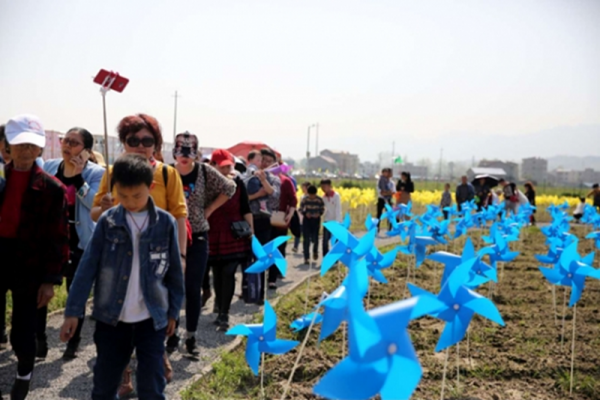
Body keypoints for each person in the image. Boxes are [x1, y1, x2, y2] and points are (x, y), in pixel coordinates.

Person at [60, 154, 185, 400]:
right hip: (111, 320)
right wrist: (73, 311)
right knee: (104, 387)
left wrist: (173, 312)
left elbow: (174, 273)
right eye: (123, 196)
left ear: (150, 187)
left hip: (152, 319)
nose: (130, 202)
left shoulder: (166, 223)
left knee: (152, 387)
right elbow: (86, 268)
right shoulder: (108, 221)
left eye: (137, 196)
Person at [90, 114, 187, 396]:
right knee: (120, 317)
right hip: (118, 260)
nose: (141, 146)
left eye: (147, 140)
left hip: (156, 259)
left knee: (151, 313)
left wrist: (180, 255)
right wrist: (103, 207)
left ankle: (155, 357)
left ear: (156, 144)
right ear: (124, 143)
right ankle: (124, 374)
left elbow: (179, 215)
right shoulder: (112, 173)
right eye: (133, 140)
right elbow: (95, 214)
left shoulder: (167, 174)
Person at [0, 114, 69, 400]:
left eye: (32, 145)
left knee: (23, 328)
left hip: (30, 264)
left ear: (40, 148)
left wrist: (51, 280)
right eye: (20, 144)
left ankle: (23, 375)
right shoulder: (0, 180)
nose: (26, 151)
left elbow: (58, 237)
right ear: (7, 146)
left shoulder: (52, 189)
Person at [36, 128, 105, 360]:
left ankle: (73, 342)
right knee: (41, 287)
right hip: (51, 240)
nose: (67, 146)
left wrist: (77, 177)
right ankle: (39, 338)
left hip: (79, 241)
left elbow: (93, 204)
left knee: (75, 291)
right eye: (66, 140)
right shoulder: (50, 167)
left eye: (74, 143)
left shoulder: (96, 173)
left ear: (86, 150)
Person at [172, 134, 235, 354]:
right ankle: (172, 332)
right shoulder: (167, 172)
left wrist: (209, 209)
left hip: (197, 234)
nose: (184, 158)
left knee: (193, 287)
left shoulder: (204, 171)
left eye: (189, 153)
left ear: (196, 154)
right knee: (172, 287)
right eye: (180, 153)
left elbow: (230, 187)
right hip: (171, 236)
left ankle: (191, 336)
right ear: (174, 153)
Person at [206, 149, 253, 329]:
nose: (227, 170)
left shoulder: (238, 182)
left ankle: (225, 313)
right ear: (213, 165)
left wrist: (252, 233)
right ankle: (220, 308)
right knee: (217, 274)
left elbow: (246, 208)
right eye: (223, 167)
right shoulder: (206, 182)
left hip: (234, 234)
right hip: (212, 231)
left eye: (229, 166)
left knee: (228, 272)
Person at [245, 148, 280, 300]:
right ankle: (247, 289)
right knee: (247, 255)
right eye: (262, 160)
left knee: (262, 255)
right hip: (248, 219)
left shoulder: (274, 179)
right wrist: (257, 194)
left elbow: (274, 194)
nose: (265, 163)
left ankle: (260, 292)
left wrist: (264, 180)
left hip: (265, 220)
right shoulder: (247, 176)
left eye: (269, 161)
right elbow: (243, 197)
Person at [268, 156, 297, 290]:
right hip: (263, 219)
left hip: (279, 219)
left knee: (277, 248)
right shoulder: (260, 179)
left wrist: (289, 215)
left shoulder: (286, 181)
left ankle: (272, 278)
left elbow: (293, 200)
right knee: (264, 248)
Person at [299, 185, 325, 265]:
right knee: (306, 239)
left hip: (316, 220)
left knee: (315, 238)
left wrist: (319, 214)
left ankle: (315, 251)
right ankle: (306, 257)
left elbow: (322, 209)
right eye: (310, 195)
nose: (312, 197)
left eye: (313, 195)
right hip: (307, 220)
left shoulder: (319, 200)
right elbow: (300, 209)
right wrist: (305, 213)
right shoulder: (305, 199)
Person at [243, 149, 270, 215]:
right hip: (250, 184)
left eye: (260, 161)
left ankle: (262, 204)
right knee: (256, 182)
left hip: (253, 186)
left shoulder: (257, 169)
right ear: (250, 160)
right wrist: (254, 172)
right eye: (258, 160)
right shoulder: (251, 166)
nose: (260, 162)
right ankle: (262, 204)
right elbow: (251, 170)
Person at [320, 179, 342, 256]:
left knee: (335, 240)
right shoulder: (323, 197)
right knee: (325, 240)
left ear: (330, 186)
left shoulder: (336, 196)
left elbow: (338, 209)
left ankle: (335, 258)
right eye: (322, 187)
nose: (323, 189)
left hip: (335, 221)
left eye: (324, 186)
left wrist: (337, 222)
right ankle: (325, 257)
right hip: (327, 221)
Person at [292, 182, 310, 253]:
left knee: (306, 234)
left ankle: (305, 248)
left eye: (304, 187)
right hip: (300, 217)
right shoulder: (302, 196)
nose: (302, 188)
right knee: (298, 232)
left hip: (307, 218)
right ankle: (295, 247)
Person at [376, 168, 395, 233]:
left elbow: (393, 192)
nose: (387, 174)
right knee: (379, 214)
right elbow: (381, 192)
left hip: (389, 200)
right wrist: (388, 192)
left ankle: (389, 227)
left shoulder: (392, 183)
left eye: (388, 173)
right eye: (386, 172)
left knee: (389, 214)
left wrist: (387, 193)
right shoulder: (380, 181)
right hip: (381, 199)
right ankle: (377, 227)